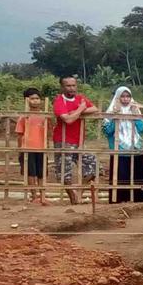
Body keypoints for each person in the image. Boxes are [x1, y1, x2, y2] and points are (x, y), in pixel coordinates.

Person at [52, 76, 100, 205]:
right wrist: (80, 109)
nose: (72, 88)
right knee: (64, 171)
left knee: (92, 164)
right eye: (68, 85)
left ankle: (79, 192)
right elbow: (68, 120)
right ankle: (73, 197)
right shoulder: (59, 101)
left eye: (73, 85)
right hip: (63, 140)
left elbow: (95, 109)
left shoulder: (80, 98)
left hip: (78, 141)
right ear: (62, 87)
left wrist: (76, 112)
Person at [101, 86, 143, 203]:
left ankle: (140, 201)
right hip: (119, 150)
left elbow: (142, 128)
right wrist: (115, 116)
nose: (125, 99)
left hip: (135, 149)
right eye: (122, 96)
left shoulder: (135, 110)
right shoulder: (110, 112)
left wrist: (135, 115)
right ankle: (119, 201)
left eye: (127, 96)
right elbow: (107, 131)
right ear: (117, 98)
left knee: (138, 176)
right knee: (120, 177)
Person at [15, 88, 49, 205]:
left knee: (42, 173)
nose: (35, 101)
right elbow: (19, 135)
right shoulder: (23, 117)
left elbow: (48, 132)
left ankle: (42, 196)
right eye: (32, 98)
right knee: (31, 173)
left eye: (37, 98)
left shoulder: (45, 116)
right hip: (28, 148)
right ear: (26, 100)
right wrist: (20, 149)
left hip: (42, 149)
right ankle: (34, 195)